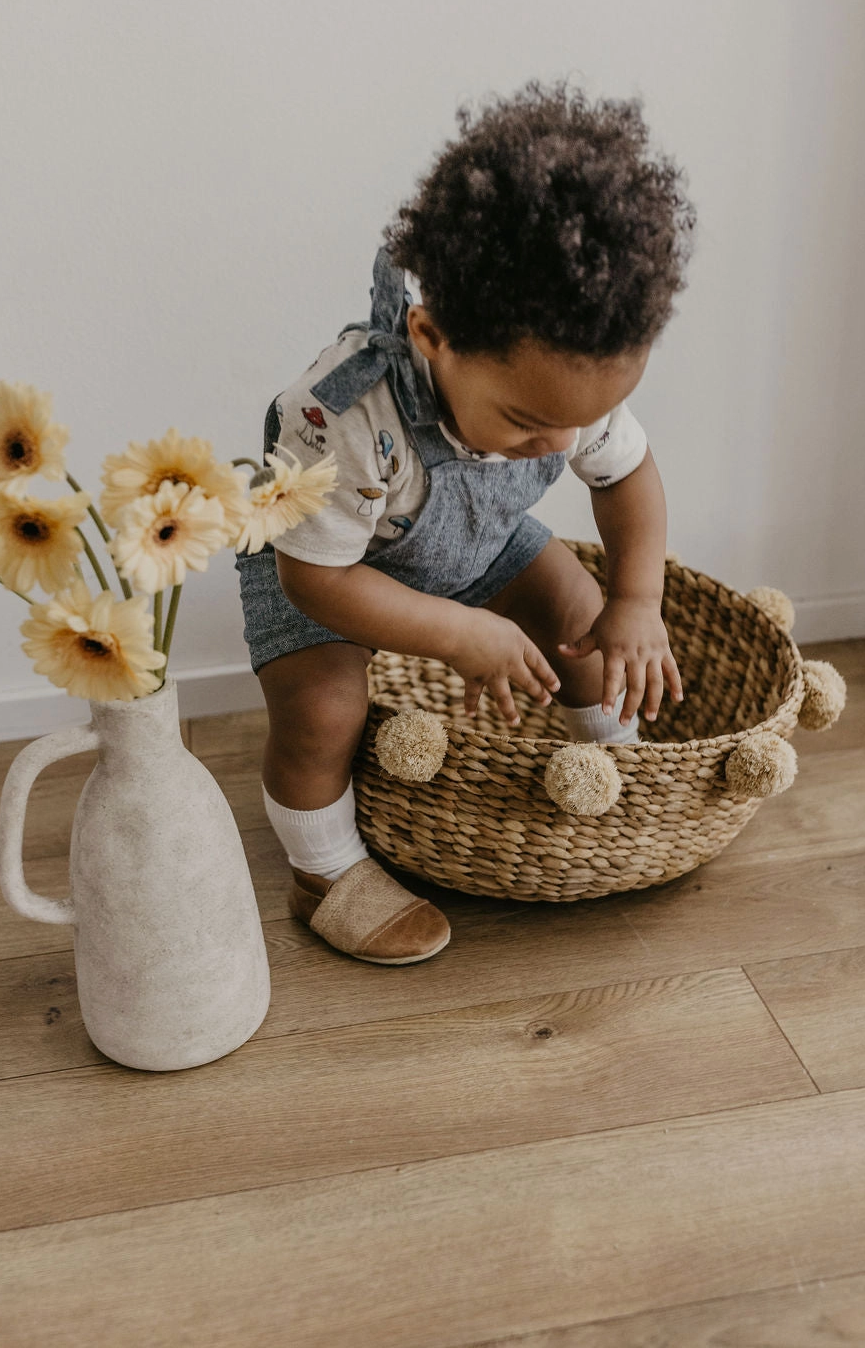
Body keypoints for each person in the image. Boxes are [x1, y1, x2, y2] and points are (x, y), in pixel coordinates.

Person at [235, 79, 696, 966]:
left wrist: (637, 599)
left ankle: (619, 769)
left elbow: (629, 475)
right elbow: (315, 578)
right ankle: (322, 868)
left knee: (582, 617)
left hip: (467, 547)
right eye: (525, 422)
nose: (559, 441)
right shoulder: (338, 417)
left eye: (582, 418)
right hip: (324, 567)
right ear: (432, 335)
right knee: (324, 708)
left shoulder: (567, 381)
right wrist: (455, 631)